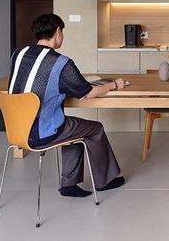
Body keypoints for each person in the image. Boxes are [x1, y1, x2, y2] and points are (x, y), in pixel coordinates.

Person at [8, 13, 126, 197]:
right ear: (58, 32)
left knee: (74, 130)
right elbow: (88, 93)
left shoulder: (18, 54)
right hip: (42, 132)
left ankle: (69, 186)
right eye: (62, 32)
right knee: (95, 129)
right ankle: (104, 181)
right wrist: (114, 85)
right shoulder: (61, 62)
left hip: (16, 130)